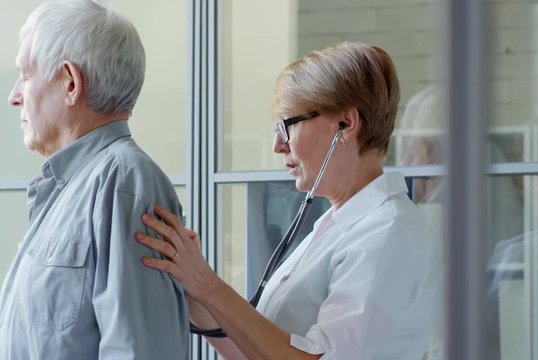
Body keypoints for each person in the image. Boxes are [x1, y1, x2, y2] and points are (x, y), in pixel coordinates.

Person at [137, 41, 442, 359]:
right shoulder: (338, 224)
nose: (277, 145)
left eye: (287, 125)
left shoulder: (388, 235)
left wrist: (210, 286)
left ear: (346, 124)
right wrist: (193, 285)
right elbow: (255, 351)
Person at [0, 0, 189, 358]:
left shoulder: (123, 183)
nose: (14, 97)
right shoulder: (73, 187)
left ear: (70, 83)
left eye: (25, 74)